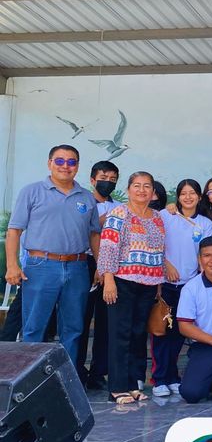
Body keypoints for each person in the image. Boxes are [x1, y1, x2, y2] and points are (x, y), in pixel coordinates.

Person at [5, 144, 100, 369]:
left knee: (73, 329)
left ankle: (66, 380)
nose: (65, 166)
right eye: (59, 161)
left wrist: (100, 266)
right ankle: (30, 380)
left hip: (77, 267)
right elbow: (14, 230)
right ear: (49, 163)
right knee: (34, 327)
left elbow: (94, 234)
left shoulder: (87, 197)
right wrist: (12, 265)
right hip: (41, 266)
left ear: (77, 166)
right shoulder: (32, 191)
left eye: (71, 162)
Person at [97, 171, 165, 405]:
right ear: (128, 190)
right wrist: (108, 279)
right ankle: (117, 387)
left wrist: (158, 283)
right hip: (122, 282)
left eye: (147, 186)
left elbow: (160, 250)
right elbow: (108, 247)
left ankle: (134, 383)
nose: (142, 190)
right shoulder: (119, 213)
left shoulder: (157, 217)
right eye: (137, 185)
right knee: (120, 334)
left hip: (149, 283)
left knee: (138, 334)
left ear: (153, 192)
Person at [153, 179, 212, 397]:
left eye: (192, 193)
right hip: (165, 284)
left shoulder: (205, 223)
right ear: (177, 197)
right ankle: (160, 379)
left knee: (179, 334)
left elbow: (206, 254)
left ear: (199, 197)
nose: (188, 197)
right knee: (162, 332)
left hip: (189, 286)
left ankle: (172, 377)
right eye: (183, 193)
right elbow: (155, 244)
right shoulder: (166, 215)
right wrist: (166, 265)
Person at [78, 159, 120, 388]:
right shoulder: (82, 202)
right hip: (85, 264)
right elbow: (79, 231)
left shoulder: (119, 207)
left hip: (112, 268)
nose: (108, 183)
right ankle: (76, 369)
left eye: (113, 179)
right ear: (93, 180)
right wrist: (99, 221)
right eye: (103, 178)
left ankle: (98, 372)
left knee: (106, 322)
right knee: (80, 320)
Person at [177, 236, 212, 403]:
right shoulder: (191, 288)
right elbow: (185, 326)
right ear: (200, 259)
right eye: (207, 255)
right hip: (208, 344)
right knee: (191, 393)